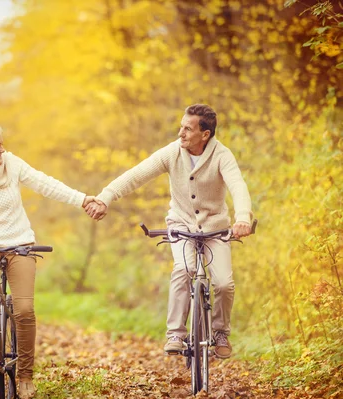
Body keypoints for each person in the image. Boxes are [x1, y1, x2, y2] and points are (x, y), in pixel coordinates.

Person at [0, 121, 97, 398]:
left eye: (2, 145)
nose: (3, 150)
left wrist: (82, 199)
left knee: (24, 311)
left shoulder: (11, 164)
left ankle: (25, 376)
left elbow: (45, 183)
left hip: (20, 243)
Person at [84, 104, 252, 358]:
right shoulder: (172, 153)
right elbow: (136, 175)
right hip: (181, 225)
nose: (180, 133)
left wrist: (242, 218)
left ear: (205, 134)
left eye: (187, 129)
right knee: (184, 270)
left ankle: (220, 332)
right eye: (181, 127)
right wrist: (105, 197)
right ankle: (175, 332)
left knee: (224, 283)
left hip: (216, 229)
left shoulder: (222, 155)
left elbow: (238, 186)